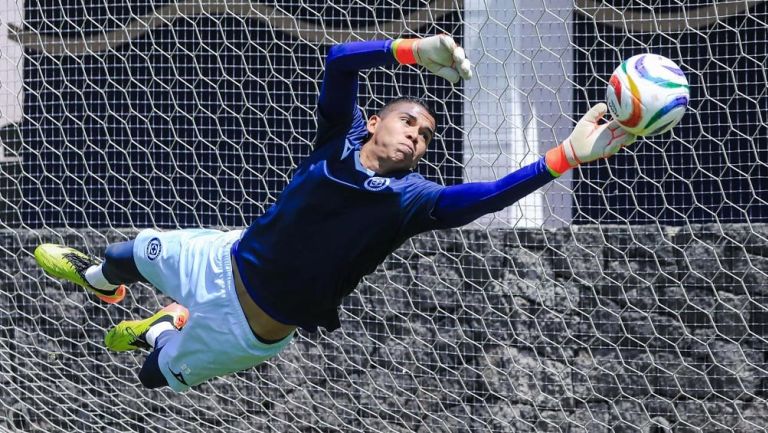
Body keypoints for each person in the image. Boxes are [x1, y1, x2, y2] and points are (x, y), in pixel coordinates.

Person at [34, 34, 636, 392]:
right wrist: (411, 50)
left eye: (427, 136)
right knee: (120, 257)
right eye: (409, 122)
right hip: (221, 258)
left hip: (249, 331)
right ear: (376, 121)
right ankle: (102, 288)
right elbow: (340, 59)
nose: (416, 137)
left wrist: (564, 157)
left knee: (152, 376)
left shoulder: (412, 201)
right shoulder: (339, 139)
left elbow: (487, 196)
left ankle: (163, 327)